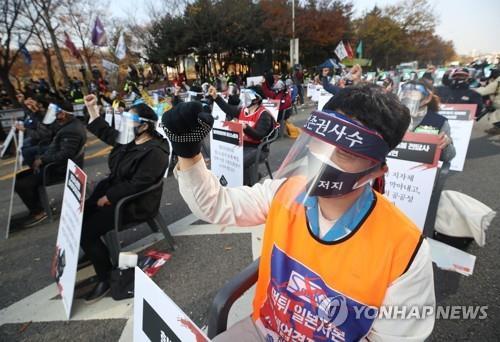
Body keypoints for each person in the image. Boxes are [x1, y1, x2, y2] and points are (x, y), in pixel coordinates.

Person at [163, 83, 435, 341]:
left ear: (377, 170)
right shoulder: (284, 193)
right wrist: (188, 152)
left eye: (346, 152)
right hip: (264, 330)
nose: (323, 157)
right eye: (320, 141)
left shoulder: (405, 249)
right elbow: (215, 205)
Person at [80, 94, 169, 302]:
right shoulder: (130, 138)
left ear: (145, 126)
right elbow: (106, 133)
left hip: (132, 203)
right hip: (115, 194)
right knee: (80, 214)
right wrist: (92, 109)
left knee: (87, 232)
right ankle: (93, 252)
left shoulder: (156, 151)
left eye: (130, 120)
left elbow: (138, 184)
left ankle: (105, 278)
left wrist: (109, 197)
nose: (126, 124)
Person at [15, 100, 87, 227]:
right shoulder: (67, 124)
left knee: (22, 184)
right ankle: (40, 206)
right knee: (20, 177)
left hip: (59, 169)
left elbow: (65, 155)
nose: (54, 116)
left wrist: (43, 160)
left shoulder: (71, 130)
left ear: (63, 114)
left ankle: (38, 212)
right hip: (55, 165)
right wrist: (36, 111)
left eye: (57, 113)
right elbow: (49, 131)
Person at [206, 85, 275, 185]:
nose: (243, 98)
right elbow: (228, 109)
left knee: (237, 162)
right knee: (224, 157)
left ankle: (247, 185)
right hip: (241, 145)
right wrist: (216, 96)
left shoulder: (264, 115)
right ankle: (245, 180)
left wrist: (245, 127)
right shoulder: (243, 110)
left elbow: (259, 135)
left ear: (256, 100)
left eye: (247, 96)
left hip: (258, 148)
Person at [399, 80, 456, 162]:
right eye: (406, 92)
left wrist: (446, 144)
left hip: (420, 169)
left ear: (427, 98)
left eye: (413, 93)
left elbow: (448, 157)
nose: (408, 95)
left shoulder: (439, 122)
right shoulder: (390, 117)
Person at [473, 68, 500, 135]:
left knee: (493, 115)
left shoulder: (497, 83)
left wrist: (474, 89)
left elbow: (483, 91)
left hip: (498, 103)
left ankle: (497, 128)